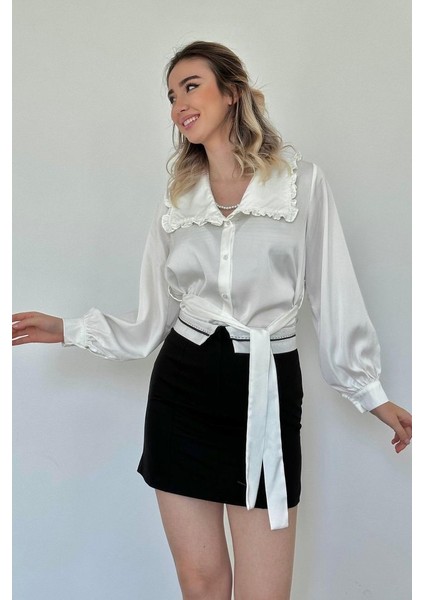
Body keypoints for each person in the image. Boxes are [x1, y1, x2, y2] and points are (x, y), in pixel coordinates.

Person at [12, 41, 412, 600]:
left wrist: (371, 394)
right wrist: (68, 330)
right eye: (171, 95)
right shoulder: (178, 199)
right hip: (183, 390)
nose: (179, 104)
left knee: (264, 593)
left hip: (267, 387)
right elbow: (151, 319)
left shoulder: (299, 183)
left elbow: (334, 289)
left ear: (232, 92)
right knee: (201, 585)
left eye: (191, 86)